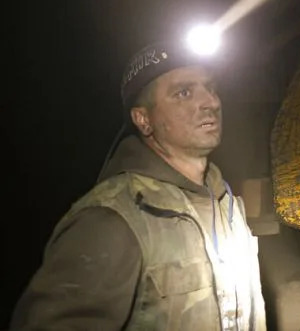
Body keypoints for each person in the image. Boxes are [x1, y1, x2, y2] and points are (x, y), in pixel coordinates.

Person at [11, 41, 266, 330]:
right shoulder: (111, 220)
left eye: (211, 88)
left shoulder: (225, 204)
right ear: (143, 120)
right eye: (184, 93)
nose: (211, 102)